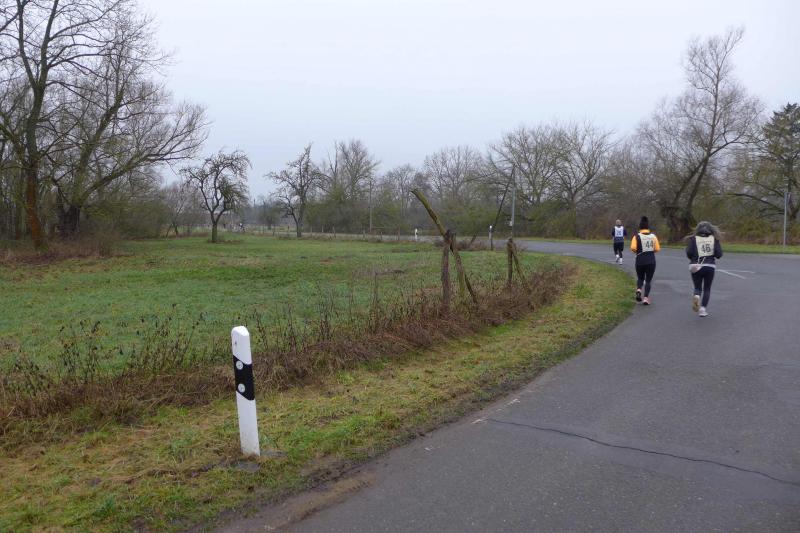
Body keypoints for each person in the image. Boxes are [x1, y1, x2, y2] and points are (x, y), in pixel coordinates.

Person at [685, 221, 723, 317]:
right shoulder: (714, 239)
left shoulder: (693, 239)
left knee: (697, 287)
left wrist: (693, 258)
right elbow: (719, 254)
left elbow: (689, 253)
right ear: (710, 230)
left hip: (695, 265)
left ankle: (697, 296)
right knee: (707, 288)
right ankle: (702, 309)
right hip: (709, 266)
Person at [630, 216, 660, 305]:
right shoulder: (653, 236)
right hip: (651, 260)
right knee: (648, 280)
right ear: (648, 227)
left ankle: (639, 290)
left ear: (640, 227)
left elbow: (633, 248)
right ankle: (646, 298)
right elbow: (657, 249)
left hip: (640, 260)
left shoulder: (636, 236)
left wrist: (638, 252)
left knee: (640, 278)